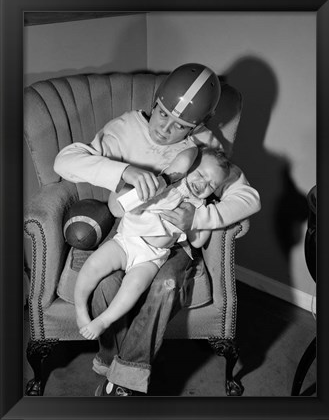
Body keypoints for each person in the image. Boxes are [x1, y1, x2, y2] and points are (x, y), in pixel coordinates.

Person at [54, 63, 261, 396]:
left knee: (165, 285)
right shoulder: (123, 130)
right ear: (156, 101)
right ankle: (112, 361)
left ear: (200, 125)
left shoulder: (206, 145)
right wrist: (124, 171)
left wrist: (198, 221)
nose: (166, 130)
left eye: (181, 126)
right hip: (133, 226)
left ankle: (125, 383)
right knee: (105, 284)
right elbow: (64, 161)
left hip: (177, 243)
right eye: (163, 115)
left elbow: (248, 197)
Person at [75, 146, 230, 341]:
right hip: (127, 240)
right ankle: (81, 309)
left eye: (211, 185)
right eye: (200, 174)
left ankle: (104, 320)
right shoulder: (165, 183)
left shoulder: (200, 208)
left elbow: (198, 241)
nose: (202, 184)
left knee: (135, 286)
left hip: (152, 257)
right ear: (188, 168)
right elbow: (184, 158)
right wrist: (182, 165)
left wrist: (198, 220)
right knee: (94, 264)